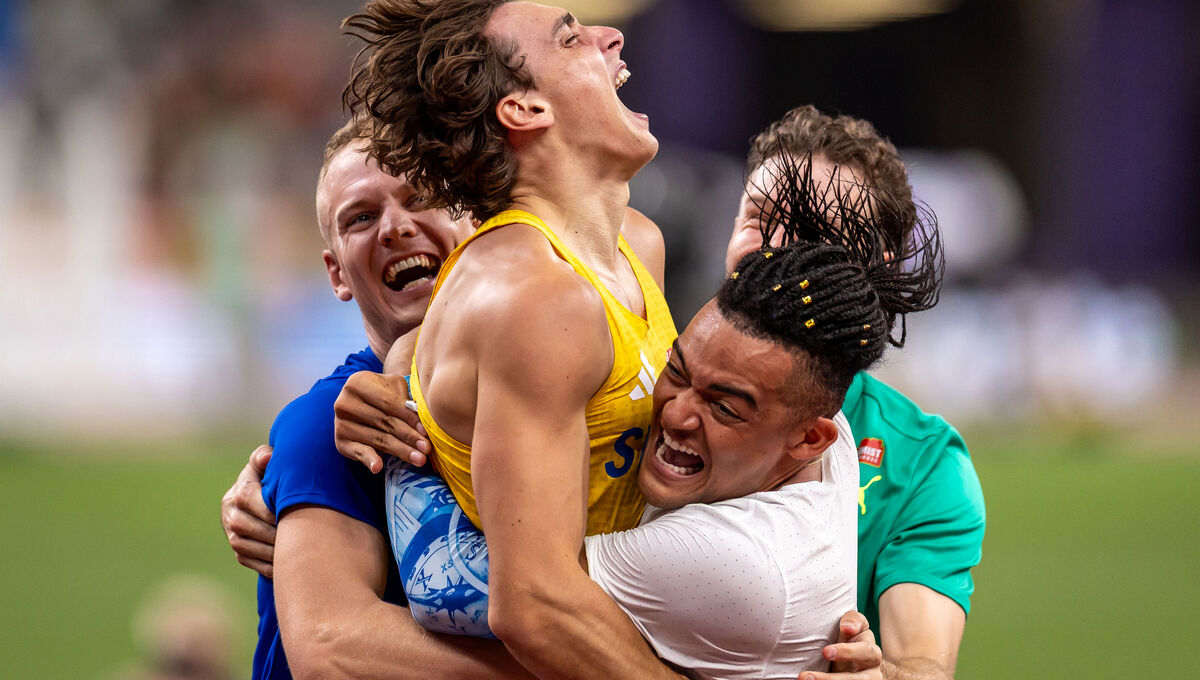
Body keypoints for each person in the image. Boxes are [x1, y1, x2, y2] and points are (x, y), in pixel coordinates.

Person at [359, 150, 943, 680]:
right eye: (678, 370)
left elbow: (500, 593)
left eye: (724, 407)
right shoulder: (820, 434)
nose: (677, 414)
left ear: (809, 439)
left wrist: (406, 396)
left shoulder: (734, 561)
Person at [238, 117, 538, 680]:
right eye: (361, 217)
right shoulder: (325, 426)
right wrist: (579, 658)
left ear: (474, 218)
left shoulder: (541, 386)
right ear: (337, 274)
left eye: (420, 196)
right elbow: (331, 649)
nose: (395, 228)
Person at [726, 107, 985, 680]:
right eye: (758, 217)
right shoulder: (642, 388)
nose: (774, 247)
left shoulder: (921, 464)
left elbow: (924, 668)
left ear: (875, 266)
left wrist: (883, 675)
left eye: (811, 230)